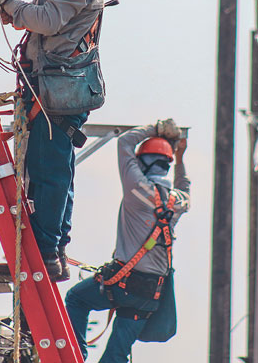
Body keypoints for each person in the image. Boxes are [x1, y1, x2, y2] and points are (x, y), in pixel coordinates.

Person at [0, 0, 105, 282]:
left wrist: (11, 6)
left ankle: (45, 253)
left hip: (59, 90)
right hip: (53, 86)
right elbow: (47, 22)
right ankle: (52, 249)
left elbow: (51, 20)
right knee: (54, 170)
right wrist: (19, 14)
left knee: (47, 171)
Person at [65, 120, 190, 362]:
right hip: (149, 294)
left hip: (123, 282)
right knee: (116, 356)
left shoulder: (137, 188)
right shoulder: (178, 202)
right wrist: (181, 157)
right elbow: (184, 185)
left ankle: (75, 356)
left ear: (144, 162)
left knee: (76, 299)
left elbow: (125, 142)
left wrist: (156, 129)